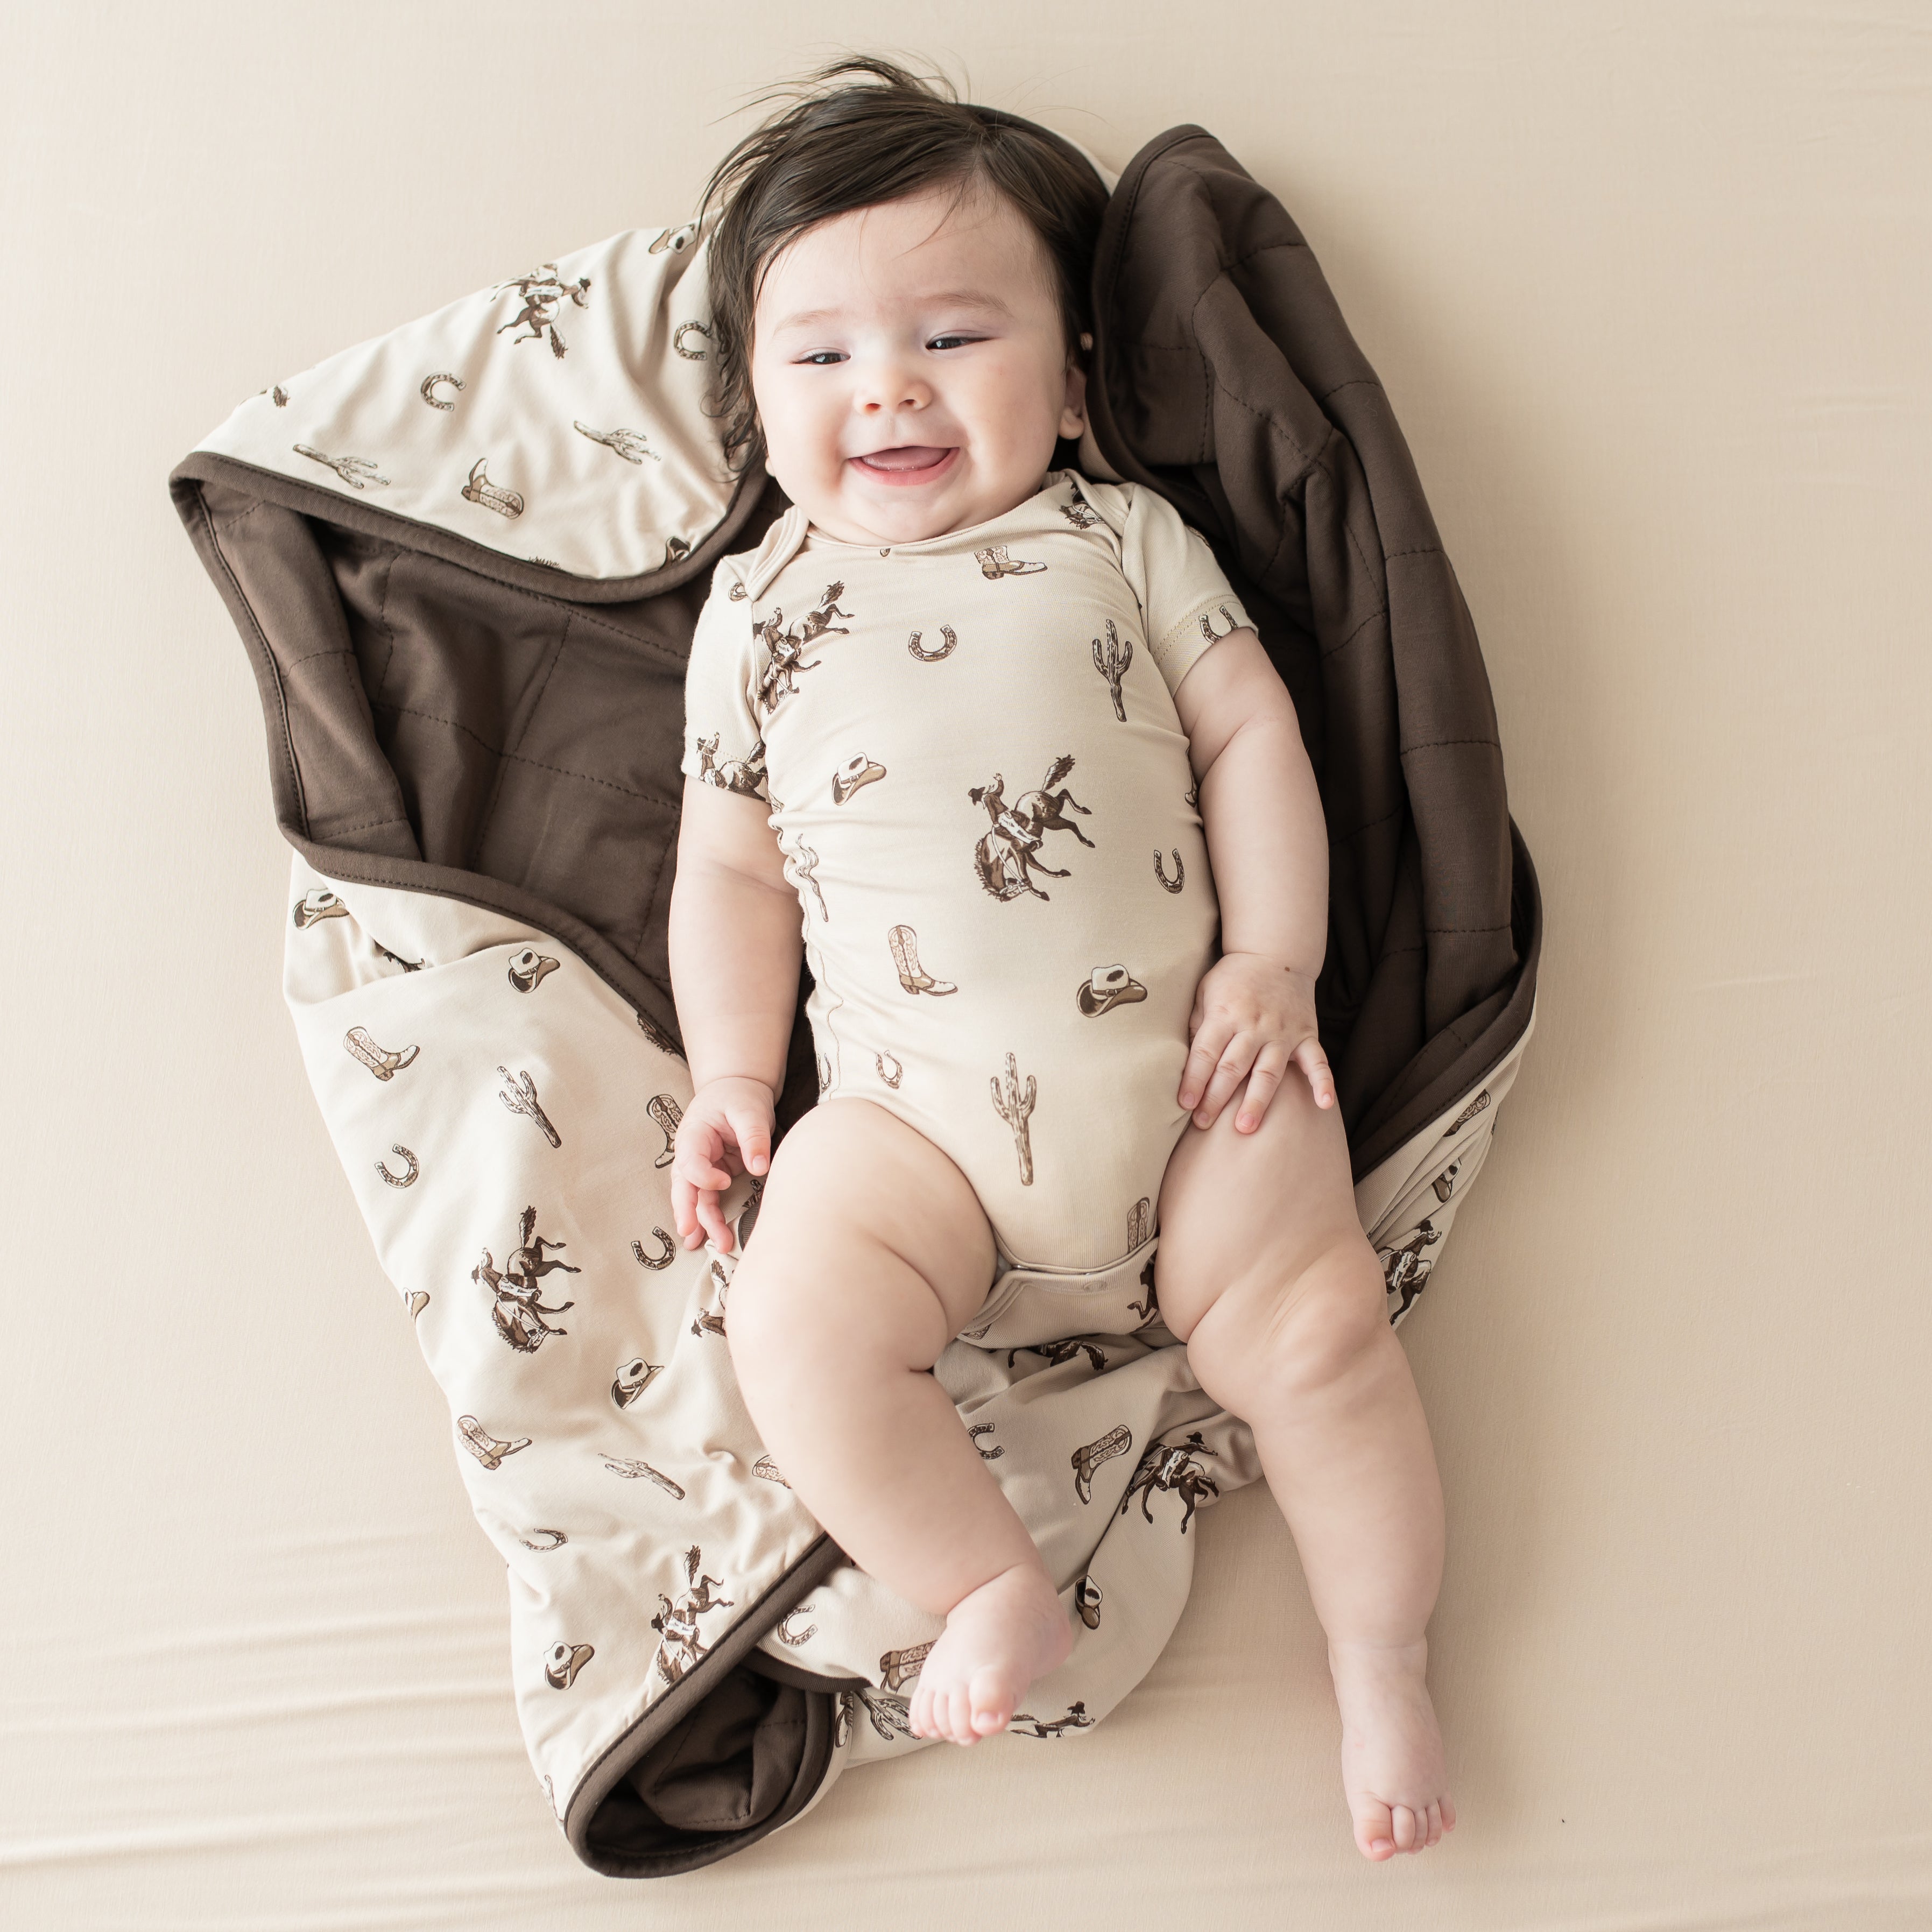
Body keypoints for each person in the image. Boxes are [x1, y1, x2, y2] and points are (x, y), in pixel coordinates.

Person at [666, 57, 1454, 1861]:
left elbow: (1258, 740)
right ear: (752, 415)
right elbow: (729, 865)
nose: (889, 388)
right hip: (913, 1136)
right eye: (823, 356)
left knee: (1326, 1338)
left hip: (1192, 1091)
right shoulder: (763, 612)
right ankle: (986, 1581)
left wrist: (1272, 962)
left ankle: (1382, 1650)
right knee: (795, 1316)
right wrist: (728, 1074)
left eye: (955, 336)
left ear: (1080, 384)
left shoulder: (1119, 542)